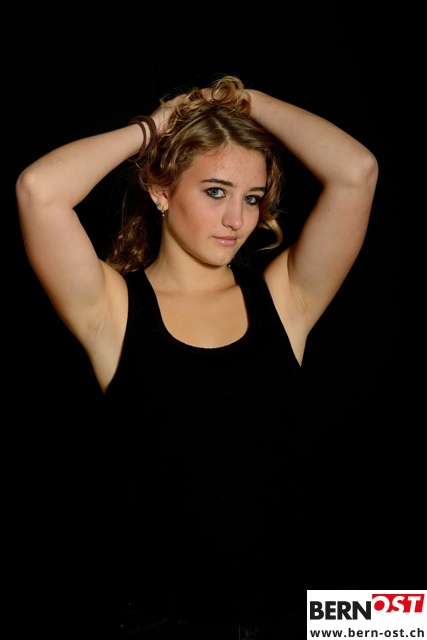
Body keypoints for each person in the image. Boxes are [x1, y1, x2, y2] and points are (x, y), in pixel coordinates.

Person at [16, 74, 378, 638]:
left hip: (314, 612)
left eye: (252, 198)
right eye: (215, 191)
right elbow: (39, 189)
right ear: (161, 190)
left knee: (409, 618)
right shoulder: (113, 309)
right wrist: (160, 125)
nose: (238, 219)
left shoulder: (285, 298)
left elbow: (357, 171)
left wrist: (240, 99)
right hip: (171, 621)